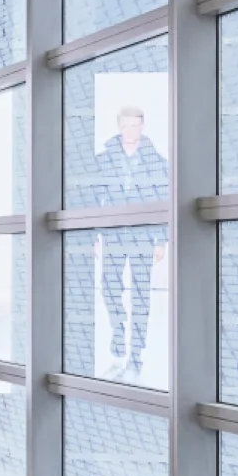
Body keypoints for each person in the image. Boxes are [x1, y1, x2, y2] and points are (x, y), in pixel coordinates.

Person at [89, 104, 168, 380]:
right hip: (113, 234)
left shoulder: (157, 161)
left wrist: (162, 240)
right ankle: (119, 328)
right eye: (126, 125)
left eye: (136, 125)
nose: (131, 130)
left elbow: (164, 201)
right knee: (110, 288)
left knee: (141, 295)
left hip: (143, 235)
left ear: (143, 126)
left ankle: (136, 353)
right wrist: (94, 236)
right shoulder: (105, 159)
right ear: (119, 127)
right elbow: (94, 198)